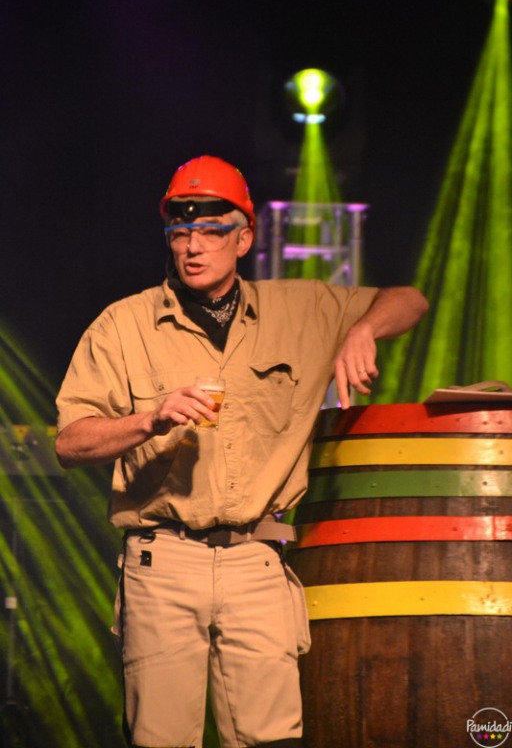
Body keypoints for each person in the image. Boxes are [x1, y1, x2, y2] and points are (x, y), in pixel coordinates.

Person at [55, 155, 428, 748]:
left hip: (257, 559)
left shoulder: (300, 309)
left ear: (245, 237)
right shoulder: (122, 325)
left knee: (271, 740)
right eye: (180, 231)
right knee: (161, 740)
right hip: (164, 562)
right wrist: (150, 419)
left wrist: (363, 329)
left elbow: (409, 300)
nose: (192, 246)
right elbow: (71, 442)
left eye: (210, 230)